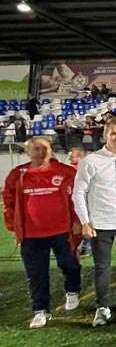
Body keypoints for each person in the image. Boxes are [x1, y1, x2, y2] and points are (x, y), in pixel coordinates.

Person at [3, 137, 82, 329]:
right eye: (36, 148)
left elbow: (79, 199)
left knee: (70, 265)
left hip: (63, 231)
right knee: (36, 274)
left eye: (45, 148)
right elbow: (9, 201)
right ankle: (40, 311)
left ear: (51, 150)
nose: (41, 152)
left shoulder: (66, 172)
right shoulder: (18, 175)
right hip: (31, 235)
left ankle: (72, 290)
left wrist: (78, 222)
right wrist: (15, 226)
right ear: (27, 152)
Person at [72, 117, 116, 327]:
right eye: (114, 134)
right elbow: (78, 193)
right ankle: (102, 307)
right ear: (105, 135)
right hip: (101, 224)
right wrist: (85, 221)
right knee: (102, 267)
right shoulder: (91, 161)